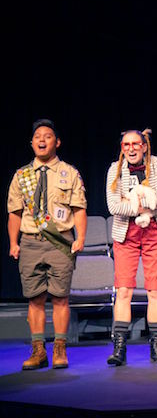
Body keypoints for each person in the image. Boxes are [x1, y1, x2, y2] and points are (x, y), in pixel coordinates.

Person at [7, 119, 87, 370]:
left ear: (57, 142)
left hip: (60, 242)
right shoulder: (22, 176)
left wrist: (81, 238)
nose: (42, 140)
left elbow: (79, 208)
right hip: (30, 241)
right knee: (35, 299)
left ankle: (60, 349)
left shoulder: (70, 172)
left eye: (48, 136)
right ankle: (38, 349)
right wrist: (13, 242)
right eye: (38, 137)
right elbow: (14, 213)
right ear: (32, 143)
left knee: (61, 298)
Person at [106, 128, 157, 366]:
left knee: (155, 291)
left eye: (136, 144)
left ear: (144, 146)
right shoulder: (114, 170)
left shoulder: (156, 165)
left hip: (155, 231)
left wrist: (138, 202)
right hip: (126, 233)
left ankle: (155, 346)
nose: (131, 148)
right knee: (123, 290)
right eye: (126, 145)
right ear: (122, 148)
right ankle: (119, 348)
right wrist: (142, 208)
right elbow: (114, 205)